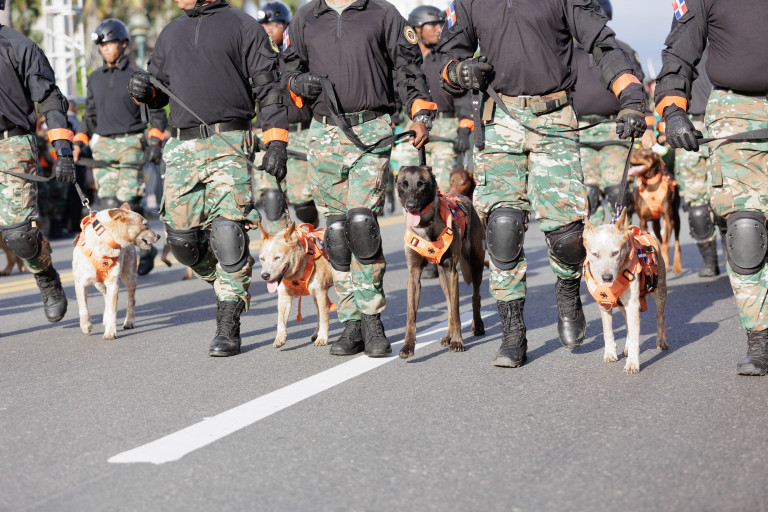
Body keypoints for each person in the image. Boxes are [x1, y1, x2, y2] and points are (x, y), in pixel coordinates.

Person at [436, 0, 647, 367]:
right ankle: (512, 333)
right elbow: (448, 57)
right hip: (499, 117)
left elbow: (601, 42)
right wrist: (459, 71)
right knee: (502, 229)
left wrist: (629, 97)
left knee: (567, 235)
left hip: (554, 116)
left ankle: (567, 292)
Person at [128, 0, 289, 357]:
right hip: (182, 146)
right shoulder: (171, 32)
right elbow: (158, 93)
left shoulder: (243, 26)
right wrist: (144, 90)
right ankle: (228, 280)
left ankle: (228, 323)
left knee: (228, 233)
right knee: (181, 241)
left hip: (229, 140)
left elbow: (269, 89)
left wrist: (276, 140)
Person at [282, 0, 435, 358]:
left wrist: (420, 115)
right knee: (336, 233)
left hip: (371, 128)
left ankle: (372, 320)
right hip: (323, 133)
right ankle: (350, 322)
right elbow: (286, 69)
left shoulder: (382, 13)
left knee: (362, 225)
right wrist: (295, 82)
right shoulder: (306, 16)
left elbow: (408, 67)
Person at [655, 0, 768, 375]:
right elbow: (679, 52)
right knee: (746, 230)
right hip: (737, 112)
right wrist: (674, 110)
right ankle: (760, 339)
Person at [74, 18, 168, 276]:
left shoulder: (137, 75)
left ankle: (146, 248)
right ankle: (116, 257)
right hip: (103, 146)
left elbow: (157, 113)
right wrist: (78, 143)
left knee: (128, 203)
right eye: (102, 45)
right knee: (108, 205)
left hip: (130, 143)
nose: (105, 48)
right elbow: (89, 116)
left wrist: (155, 141)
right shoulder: (94, 78)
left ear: (123, 43)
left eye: (110, 43)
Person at [0, 11, 76, 323]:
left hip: (11, 145)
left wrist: (63, 150)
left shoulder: (19, 46)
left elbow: (49, 100)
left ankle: (45, 276)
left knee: (19, 235)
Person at [571, 0, 648, 225]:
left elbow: (638, 87)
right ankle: (594, 244)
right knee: (589, 196)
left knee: (618, 195)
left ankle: (620, 242)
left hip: (614, 129)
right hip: (580, 130)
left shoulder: (621, 50)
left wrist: (646, 122)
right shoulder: (565, 51)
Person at [253, 1, 318, 234]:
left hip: (299, 133)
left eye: (273, 25)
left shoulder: (298, 55)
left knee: (303, 205)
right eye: (263, 26)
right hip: (267, 136)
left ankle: (311, 241)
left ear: (286, 26)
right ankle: (281, 249)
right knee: (272, 200)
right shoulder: (255, 58)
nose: (268, 30)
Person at [668, 49, 725, 278]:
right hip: (690, 125)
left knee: (727, 199)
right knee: (697, 207)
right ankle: (711, 261)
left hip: (724, 121)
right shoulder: (685, 42)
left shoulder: (727, 40)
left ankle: (733, 256)